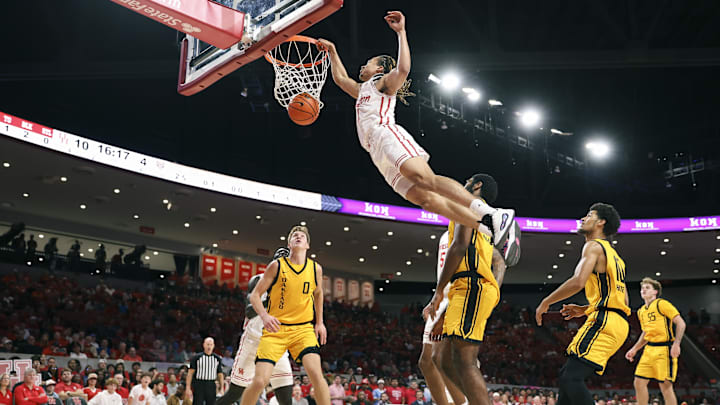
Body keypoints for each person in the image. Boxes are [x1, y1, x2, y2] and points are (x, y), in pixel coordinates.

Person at [318, 11, 516, 248]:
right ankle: (487, 228)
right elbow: (340, 78)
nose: (362, 66)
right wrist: (331, 50)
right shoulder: (362, 91)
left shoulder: (381, 83)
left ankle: (492, 213)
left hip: (386, 134)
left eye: (368, 62)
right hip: (376, 152)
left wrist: (401, 33)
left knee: (425, 178)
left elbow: (403, 70)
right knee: (426, 200)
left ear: (380, 68)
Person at [423, 175, 508, 405]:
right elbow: (499, 260)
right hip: (464, 289)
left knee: (464, 362)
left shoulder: (469, 205)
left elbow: (460, 245)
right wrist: (443, 312)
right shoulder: (485, 217)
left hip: (473, 285)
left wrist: (438, 291)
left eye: (469, 180)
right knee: (441, 359)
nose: (464, 183)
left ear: (477, 185)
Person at [535, 203, 629, 405]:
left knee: (571, 378)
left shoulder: (593, 246)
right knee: (567, 375)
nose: (583, 218)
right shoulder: (615, 257)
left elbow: (578, 281)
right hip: (615, 321)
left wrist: (546, 302)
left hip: (604, 320)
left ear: (601, 222)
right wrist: (586, 309)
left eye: (589, 215)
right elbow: (624, 300)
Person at [238, 226, 330, 405]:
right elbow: (255, 296)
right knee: (259, 381)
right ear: (289, 243)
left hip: (303, 329)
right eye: (294, 235)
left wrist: (320, 323)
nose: (298, 237)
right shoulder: (276, 266)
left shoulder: (315, 269)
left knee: (317, 375)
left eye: (302, 236)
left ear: (307, 245)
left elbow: (318, 293)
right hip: (276, 330)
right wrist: (264, 316)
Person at [216, 248, 294, 405]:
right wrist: (269, 299)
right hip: (253, 342)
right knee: (233, 394)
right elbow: (249, 311)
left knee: (286, 399)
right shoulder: (258, 280)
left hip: (277, 344)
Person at [418, 230, 465, 405]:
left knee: (441, 359)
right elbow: (445, 274)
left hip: (459, 298)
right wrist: (435, 299)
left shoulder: (469, 229)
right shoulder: (446, 234)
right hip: (443, 299)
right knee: (426, 362)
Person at [625, 278, 687, 405]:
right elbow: (645, 333)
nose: (643, 290)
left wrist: (676, 344)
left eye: (647, 288)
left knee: (665, 386)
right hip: (649, 350)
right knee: (639, 383)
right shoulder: (641, 311)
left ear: (655, 292)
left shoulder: (661, 304)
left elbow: (681, 323)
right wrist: (635, 349)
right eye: (642, 288)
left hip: (664, 349)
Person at [186, 338, 223, 405]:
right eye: (208, 344)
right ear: (204, 345)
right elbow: (190, 373)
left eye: (211, 345)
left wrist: (222, 388)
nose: (209, 346)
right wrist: (188, 388)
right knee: (197, 403)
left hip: (211, 384)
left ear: (213, 346)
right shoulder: (196, 357)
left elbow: (220, 374)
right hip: (199, 384)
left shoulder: (217, 358)